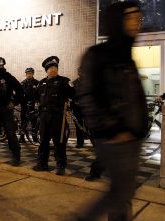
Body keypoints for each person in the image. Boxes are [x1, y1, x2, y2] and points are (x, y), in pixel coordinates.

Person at [76, 2, 148, 220]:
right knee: (119, 192)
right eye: (131, 17)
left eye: (139, 18)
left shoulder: (126, 56)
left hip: (132, 137)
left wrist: (139, 129)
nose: (137, 23)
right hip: (115, 137)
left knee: (123, 193)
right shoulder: (98, 54)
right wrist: (114, 129)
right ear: (117, 21)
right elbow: (88, 96)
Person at [33, 56, 74, 175]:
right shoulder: (41, 83)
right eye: (51, 68)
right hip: (44, 116)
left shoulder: (64, 81)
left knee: (59, 142)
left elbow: (73, 94)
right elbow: (36, 98)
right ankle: (42, 164)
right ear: (46, 70)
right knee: (43, 141)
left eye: (55, 67)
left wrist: (69, 101)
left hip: (58, 116)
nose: (53, 69)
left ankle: (60, 165)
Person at [19, 67, 39, 143]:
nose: (29, 75)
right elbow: (20, 95)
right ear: (26, 74)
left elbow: (39, 95)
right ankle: (22, 137)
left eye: (30, 73)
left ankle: (34, 137)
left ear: (33, 74)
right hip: (24, 106)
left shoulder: (37, 83)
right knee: (23, 122)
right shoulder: (22, 83)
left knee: (34, 123)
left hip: (34, 106)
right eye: (27, 73)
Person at [71, 68, 85, 148]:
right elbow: (71, 96)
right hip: (77, 108)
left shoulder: (88, 82)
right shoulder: (74, 83)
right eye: (80, 72)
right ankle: (80, 142)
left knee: (89, 125)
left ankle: (93, 141)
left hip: (86, 108)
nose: (81, 73)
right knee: (78, 126)